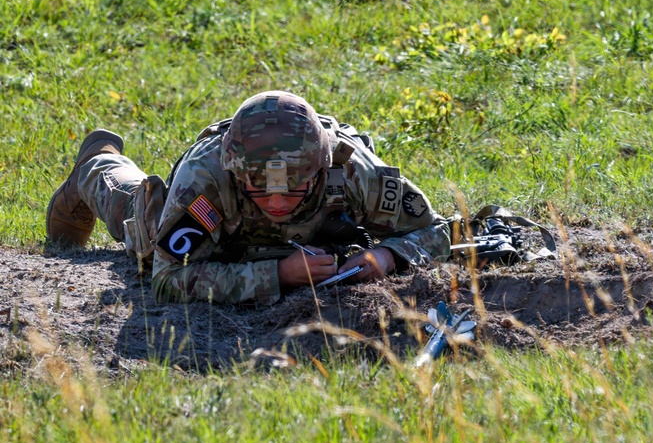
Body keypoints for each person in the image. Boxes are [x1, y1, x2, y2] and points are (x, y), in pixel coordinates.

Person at [45, 90, 451, 305]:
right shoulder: (205, 181)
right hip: (218, 237)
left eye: (292, 189)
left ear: (318, 171)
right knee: (141, 230)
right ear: (238, 175)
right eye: (259, 189)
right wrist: (278, 275)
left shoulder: (353, 171)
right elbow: (167, 278)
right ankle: (97, 163)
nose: (276, 203)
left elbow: (435, 230)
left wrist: (386, 257)